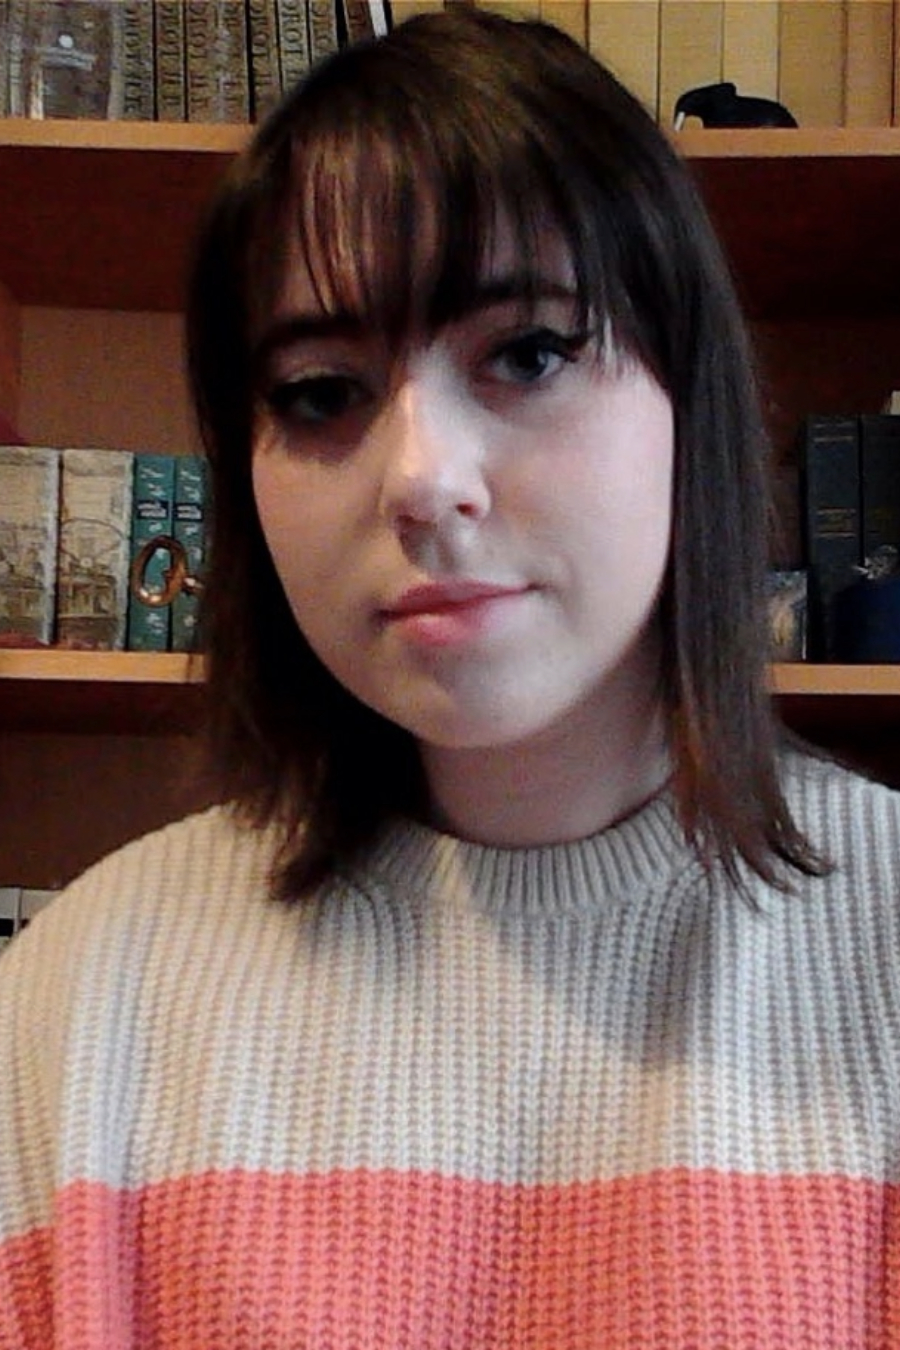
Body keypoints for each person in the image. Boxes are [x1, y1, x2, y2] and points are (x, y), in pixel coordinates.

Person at [1, 8, 898, 1346]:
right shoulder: (84, 993)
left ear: (689, 405)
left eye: (529, 352)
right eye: (320, 391)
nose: (421, 477)